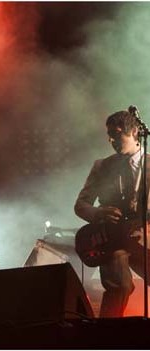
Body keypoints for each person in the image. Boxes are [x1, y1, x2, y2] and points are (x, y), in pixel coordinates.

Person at [74, 108, 150, 318]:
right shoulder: (102, 166)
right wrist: (98, 213)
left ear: (135, 131)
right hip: (112, 239)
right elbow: (81, 204)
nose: (111, 140)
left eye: (117, 134)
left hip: (143, 237)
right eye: (109, 135)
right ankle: (106, 341)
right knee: (119, 287)